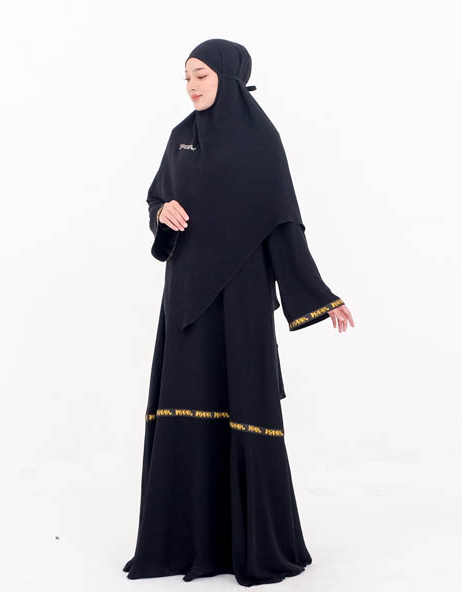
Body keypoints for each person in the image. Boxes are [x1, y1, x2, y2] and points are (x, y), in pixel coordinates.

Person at [123, 39, 354, 587]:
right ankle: (184, 544)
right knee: (186, 402)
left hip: (242, 297)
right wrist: (162, 212)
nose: (191, 86)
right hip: (186, 298)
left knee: (243, 402)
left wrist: (319, 293)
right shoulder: (180, 136)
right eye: (186, 77)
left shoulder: (260, 140)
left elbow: (282, 222)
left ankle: (251, 545)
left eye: (201, 75)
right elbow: (157, 199)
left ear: (228, 77)